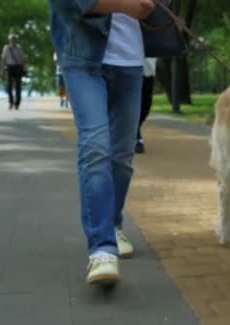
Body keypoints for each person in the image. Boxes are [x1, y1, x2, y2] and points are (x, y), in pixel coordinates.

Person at [48, 0, 155, 285]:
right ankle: (102, 248)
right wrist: (126, 6)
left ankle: (112, 223)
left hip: (131, 61)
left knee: (122, 155)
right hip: (84, 56)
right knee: (96, 146)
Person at [0, 34, 27, 110]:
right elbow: (3, 60)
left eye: (14, 40)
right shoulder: (6, 49)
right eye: (12, 40)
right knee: (9, 86)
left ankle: (17, 103)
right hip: (9, 67)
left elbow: (23, 60)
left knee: (18, 86)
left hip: (18, 68)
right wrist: (1, 70)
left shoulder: (19, 49)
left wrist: (25, 69)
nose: (13, 41)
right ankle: (11, 102)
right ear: (9, 40)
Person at [135, 57, 156, 154]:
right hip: (131, 67)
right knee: (134, 105)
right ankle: (136, 137)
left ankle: (133, 129)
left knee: (147, 104)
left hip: (149, 69)